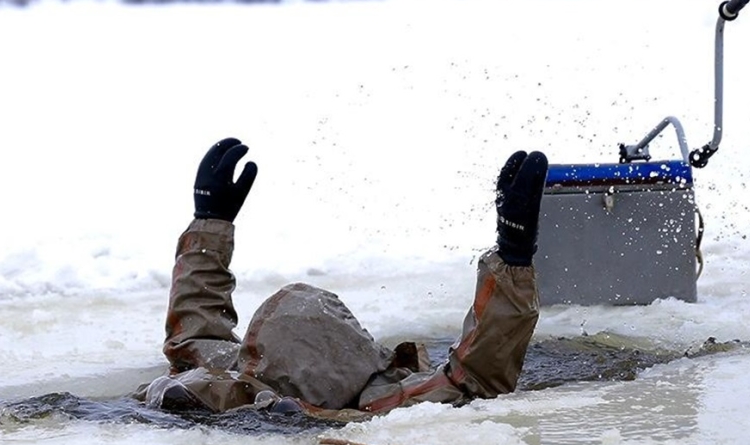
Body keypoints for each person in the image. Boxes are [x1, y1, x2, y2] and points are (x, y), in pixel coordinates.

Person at [136, 137, 549, 420]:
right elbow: (474, 379)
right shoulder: (386, 400)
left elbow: (193, 338)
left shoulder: (239, 384)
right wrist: (512, 256)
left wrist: (209, 222)